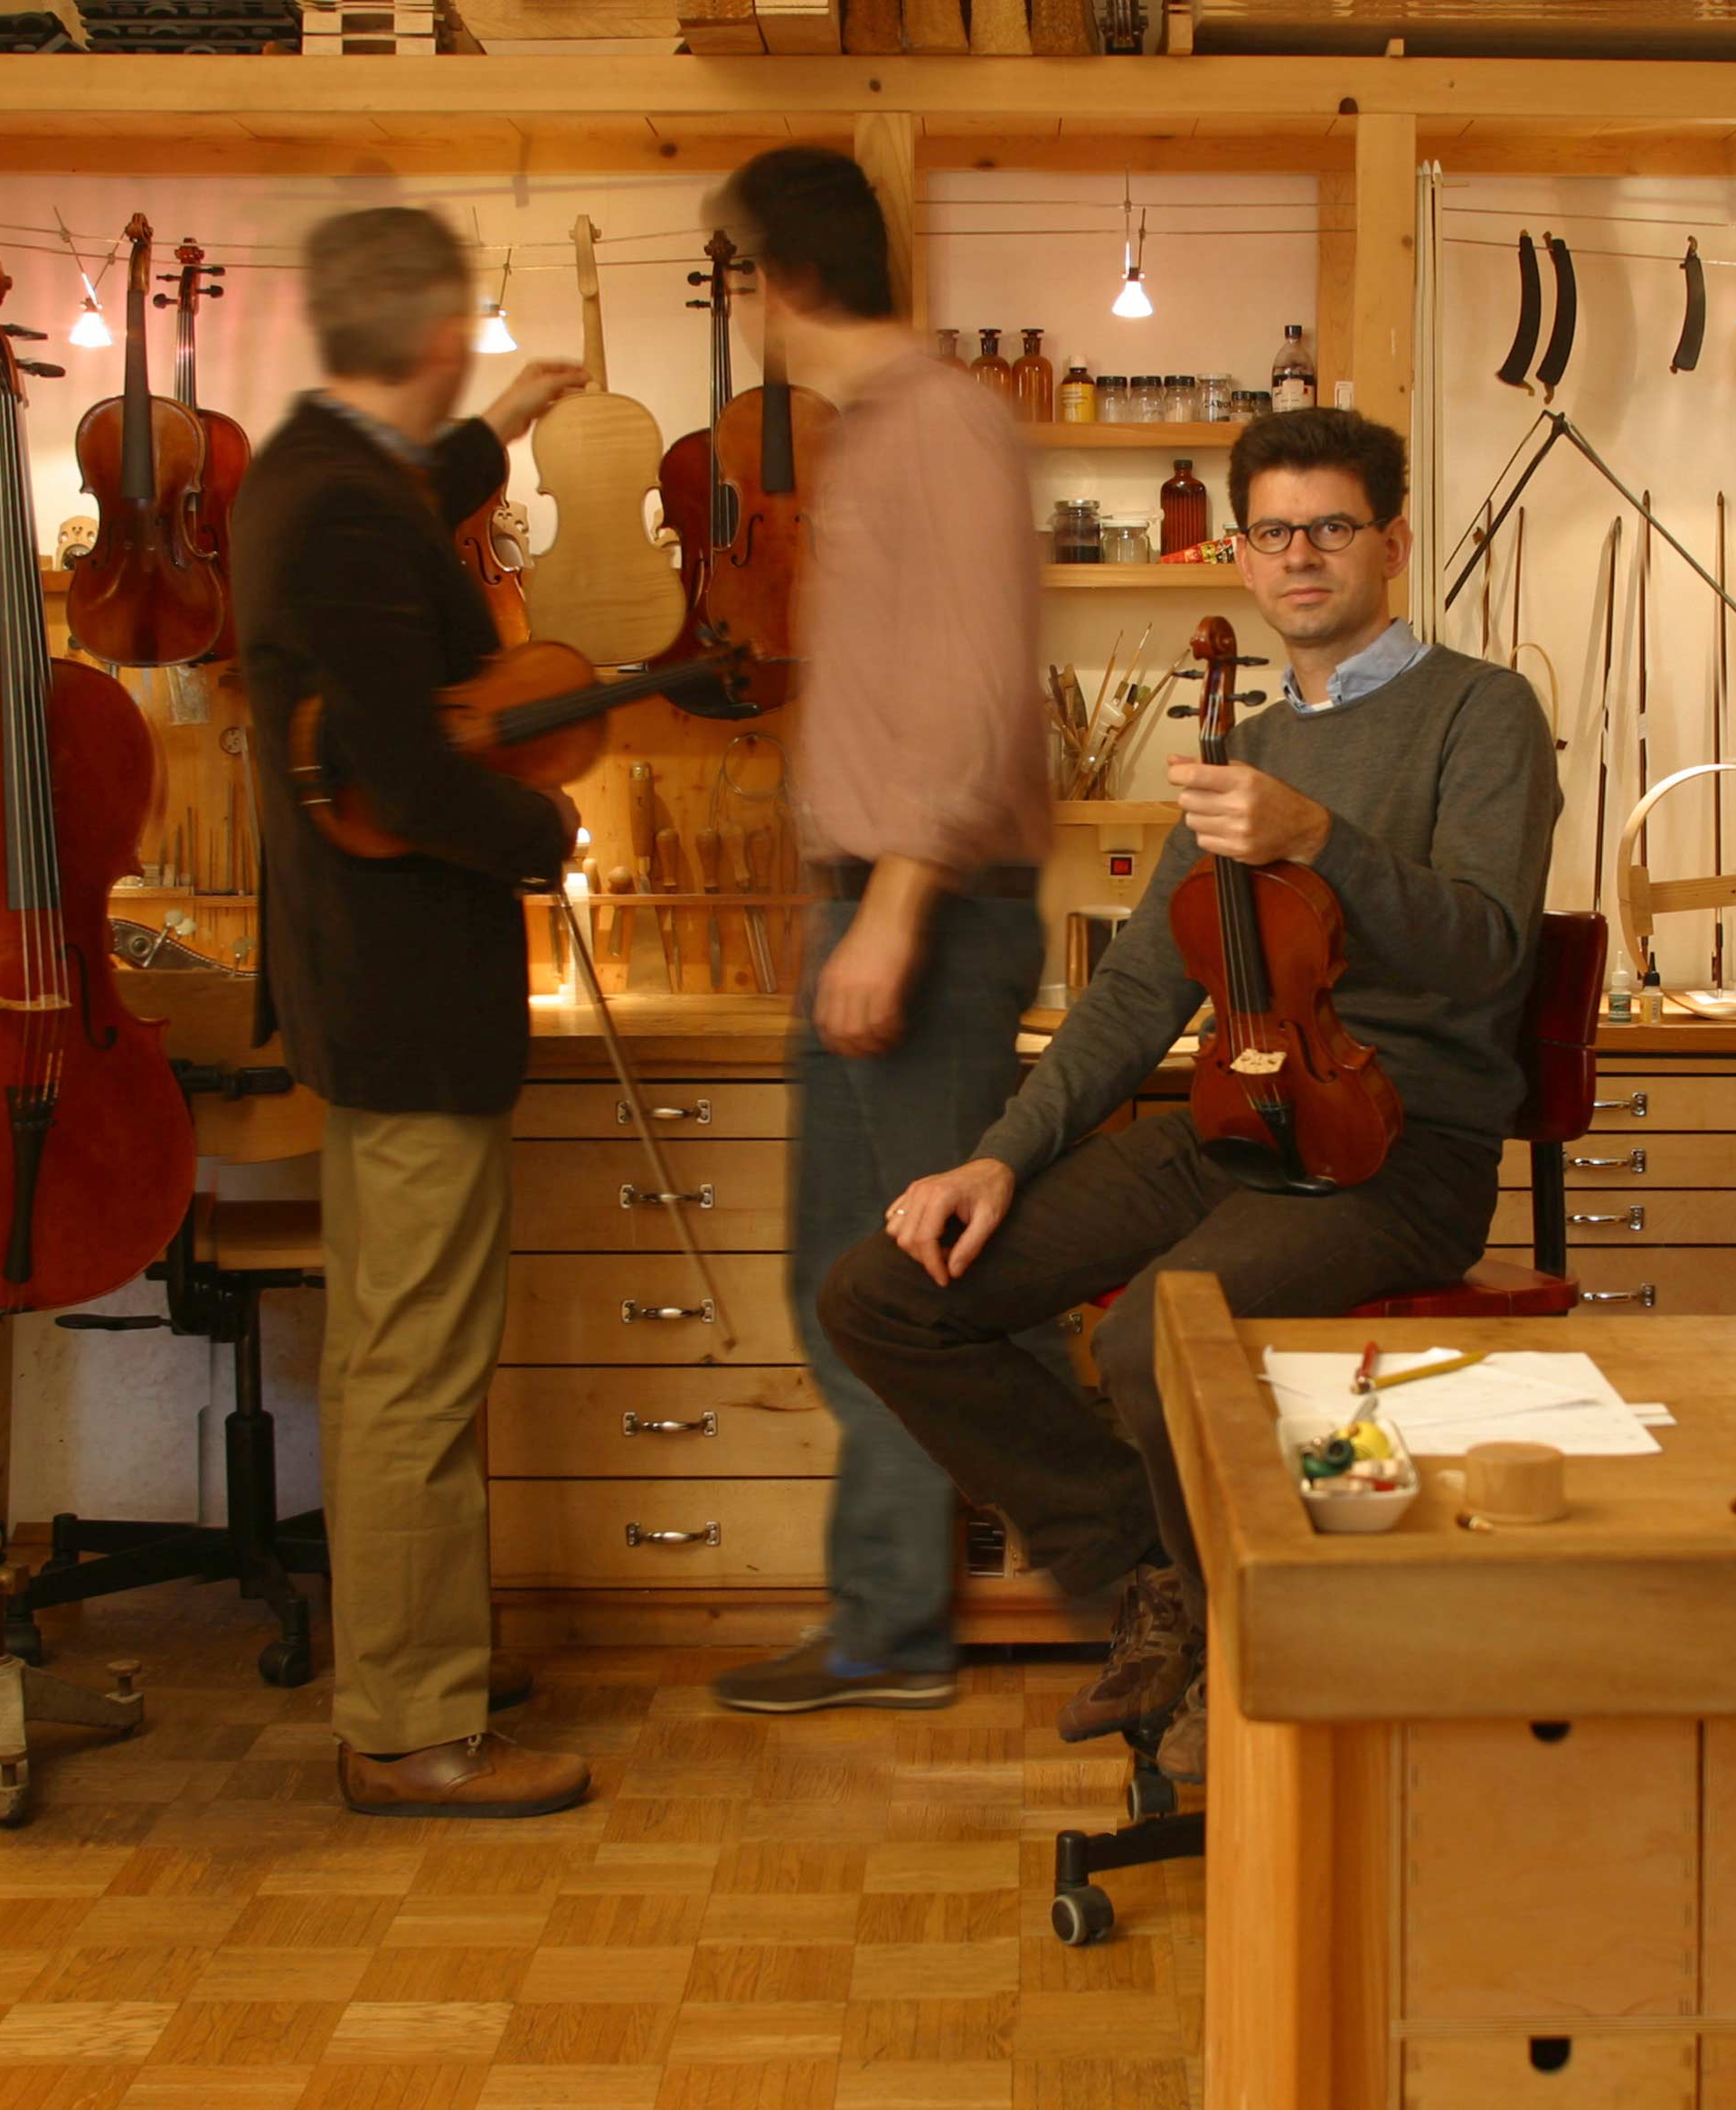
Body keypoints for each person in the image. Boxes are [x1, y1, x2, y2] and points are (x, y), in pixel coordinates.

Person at [816, 407, 1560, 1780]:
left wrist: (1322, 842)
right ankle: (1155, 1576)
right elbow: (1137, 992)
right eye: (1274, 531)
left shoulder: (1483, 711)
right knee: (887, 1289)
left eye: (1333, 526)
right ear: (1238, 552)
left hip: (1407, 1151)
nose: (1302, 556)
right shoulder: (1252, 742)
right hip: (1241, 1123)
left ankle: (1241, 1659)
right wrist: (998, 1159)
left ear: (1391, 541)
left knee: (1160, 1332)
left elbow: (1486, 952)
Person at [237, 205, 591, 1817]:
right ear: (442, 332)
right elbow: (406, 770)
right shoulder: (346, 518)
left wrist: (498, 442)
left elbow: (392, 527)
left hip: (365, 994)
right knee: (412, 1368)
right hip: (408, 994)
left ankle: (418, 1651)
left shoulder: (305, 475)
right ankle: (410, 1722)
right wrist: (550, 829)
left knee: (404, 1349)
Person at [698, 146, 1058, 1717]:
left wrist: (893, 915)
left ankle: (1132, 1579)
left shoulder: (948, 429)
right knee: (844, 1288)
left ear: (780, 279)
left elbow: (978, 705)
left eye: (737, 279)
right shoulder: (880, 437)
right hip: (873, 910)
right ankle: (892, 1620)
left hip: (929, 920)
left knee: (921, 1296)